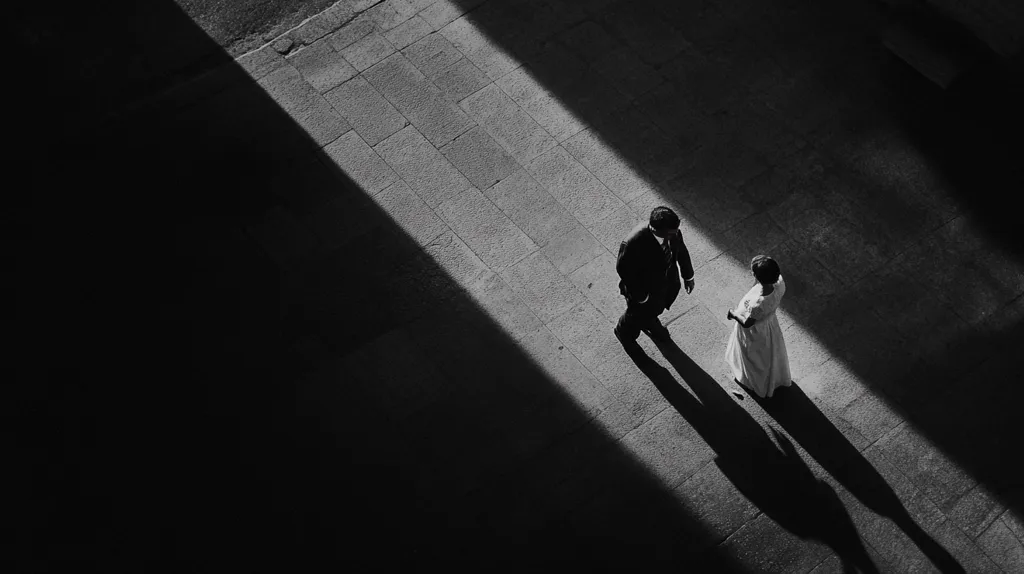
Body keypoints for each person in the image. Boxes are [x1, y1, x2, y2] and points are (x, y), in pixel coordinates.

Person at [614, 206, 695, 350]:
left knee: (654, 309)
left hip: (665, 284)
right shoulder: (634, 243)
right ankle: (623, 331)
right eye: (671, 233)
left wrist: (688, 276)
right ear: (655, 230)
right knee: (636, 314)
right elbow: (625, 270)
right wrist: (642, 297)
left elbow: (681, 250)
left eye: (676, 231)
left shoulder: (672, 232)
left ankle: (649, 321)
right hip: (644, 291)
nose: (675, 234)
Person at [725, 255, 791, 398]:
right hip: (770, 324)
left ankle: (757, 381)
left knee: (753, 355)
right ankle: (772, 377)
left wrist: (734, 314)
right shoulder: (780, 284)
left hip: (756, 331)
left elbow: (748, 323)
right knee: (769, 352)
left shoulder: (758, 303)